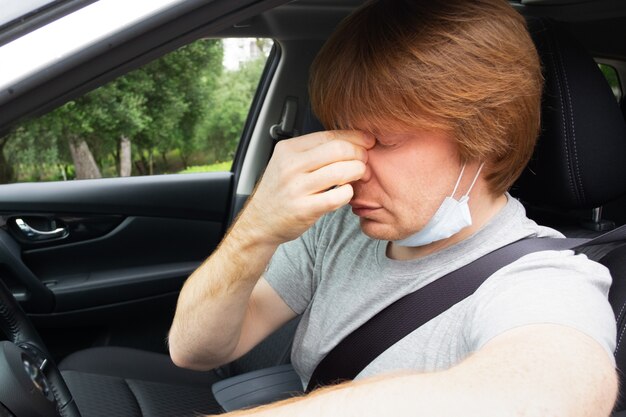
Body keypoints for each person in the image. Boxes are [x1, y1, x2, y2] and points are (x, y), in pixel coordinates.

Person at [168, 0, 618, 415]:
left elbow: (555, 390)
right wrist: (256, 230)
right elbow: (195, 349)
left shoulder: (543, 279)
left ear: (487, 138)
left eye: (382, 141)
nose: (351, 168)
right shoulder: (335, 227)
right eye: (341, 135)